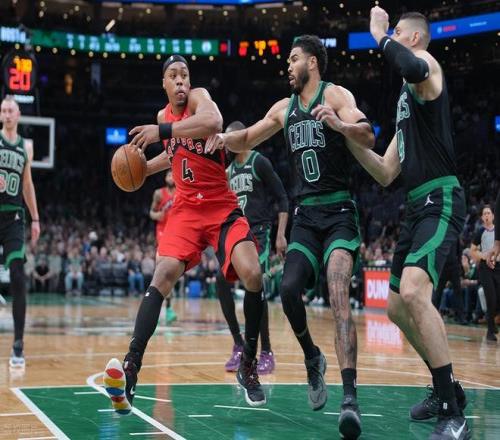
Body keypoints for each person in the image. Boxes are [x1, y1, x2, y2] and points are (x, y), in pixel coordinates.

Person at [205, 35, 374, 438]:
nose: (288, 65)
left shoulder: (335, 95)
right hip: (306, 215)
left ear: (312, 63)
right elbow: (249, 137)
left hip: (339, 211)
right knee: (288, 290)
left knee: (338, 291)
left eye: (294, 58)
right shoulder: (284, 108)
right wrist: (224, 139)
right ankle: (312, 357)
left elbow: (368, 134)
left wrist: (340, 125)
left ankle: (350, 398)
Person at [104, 55, 267, 414]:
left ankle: (249, 363)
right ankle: (131, 370)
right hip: (186, 209)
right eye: (173, 76)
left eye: (184, 75)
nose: (180, 81)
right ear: (164, 84)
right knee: (162, 274)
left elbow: (213, 121)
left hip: (219, 204)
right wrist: (140, 170)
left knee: (254, 274)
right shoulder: (164, 116)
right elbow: (173, 154)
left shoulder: (198, 99)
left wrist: (161, 131)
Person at [344, 8, 470, 439]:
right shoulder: (406, 103)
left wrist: (379, 33)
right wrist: (345, 134)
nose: (391, 38)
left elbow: (411, 65)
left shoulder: (427, 66)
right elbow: (384, 171)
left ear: (413, 38)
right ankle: (446, 385)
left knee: (415, 290)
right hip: (416, 204)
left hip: (442, 196)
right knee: (396, 307)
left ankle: (453, 413)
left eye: (398, 33)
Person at [220, 120, 289, 375]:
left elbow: (282, 198)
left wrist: (281, 235)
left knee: (255, 285)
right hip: (237, 234)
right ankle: (238, 344)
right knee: (220, 281)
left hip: (259, 232)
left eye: (230, 139)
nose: (227, 145)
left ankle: (266, 351)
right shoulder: (227, 172)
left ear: (242, 137)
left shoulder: (259, 162)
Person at [0, 95, 40, 368]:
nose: (7, 114)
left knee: (17, 276)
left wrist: (35, 218)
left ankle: (18, 344)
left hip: (14, 216)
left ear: (18, 114)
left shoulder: (26, 146)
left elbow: (27, 184)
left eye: (10, 110)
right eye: (3, 110)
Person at [149, 169, 177, 322]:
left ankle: (168, 308)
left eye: (173, 174)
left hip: (176, 232)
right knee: (163, 267)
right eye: (168, 175)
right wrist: (157, 215)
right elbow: (151, 212)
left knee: (171, 272)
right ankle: (165, 308)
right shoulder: (159, 194)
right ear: (165, 178)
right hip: (162, 232)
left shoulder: (182, 192)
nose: (171, 177)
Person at [471, 204, 499, 341]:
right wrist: (483, 256)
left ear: (493, 216)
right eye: (485, 213)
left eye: (489, 213)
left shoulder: (498, 231)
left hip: (498, 266)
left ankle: (492, 321)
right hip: (485, 268)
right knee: (491, 298)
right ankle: (490, 330)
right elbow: (473, 251)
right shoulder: (480, 231)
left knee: (497, 298)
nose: (487, 215)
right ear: (482, 217)